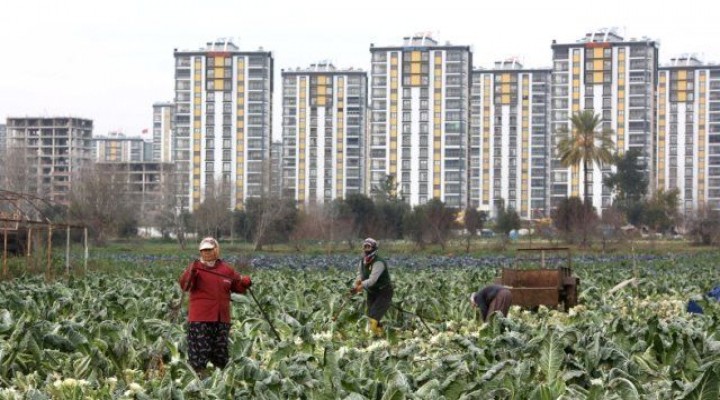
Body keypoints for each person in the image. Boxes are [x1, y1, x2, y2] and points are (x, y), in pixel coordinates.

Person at [178, 237, 252, 375]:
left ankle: (219, 381)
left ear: (216, 250)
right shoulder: (196, 267)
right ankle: (198, 380)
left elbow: (238, 287)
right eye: (203, 250)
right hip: (200, 319)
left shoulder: (226, 270)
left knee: (220, 353)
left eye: (209, 249)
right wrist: (190, 272)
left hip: (221, 319)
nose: (206, 253)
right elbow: (185, 285)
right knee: (199, 354)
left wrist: (245, 282)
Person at [352, 237, 393, 336]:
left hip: (384, 292)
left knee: (373, 317)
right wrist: (355, 285)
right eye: (365, 247)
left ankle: (376, 338)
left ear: (374, 248)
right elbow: (360, 275)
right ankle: (380, 335)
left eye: (368, 247)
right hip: (372, 293)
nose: (366, 249)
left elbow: (372, 280)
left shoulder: (379, 262)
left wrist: (361, 286)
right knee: (370, 315)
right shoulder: (363, 261)